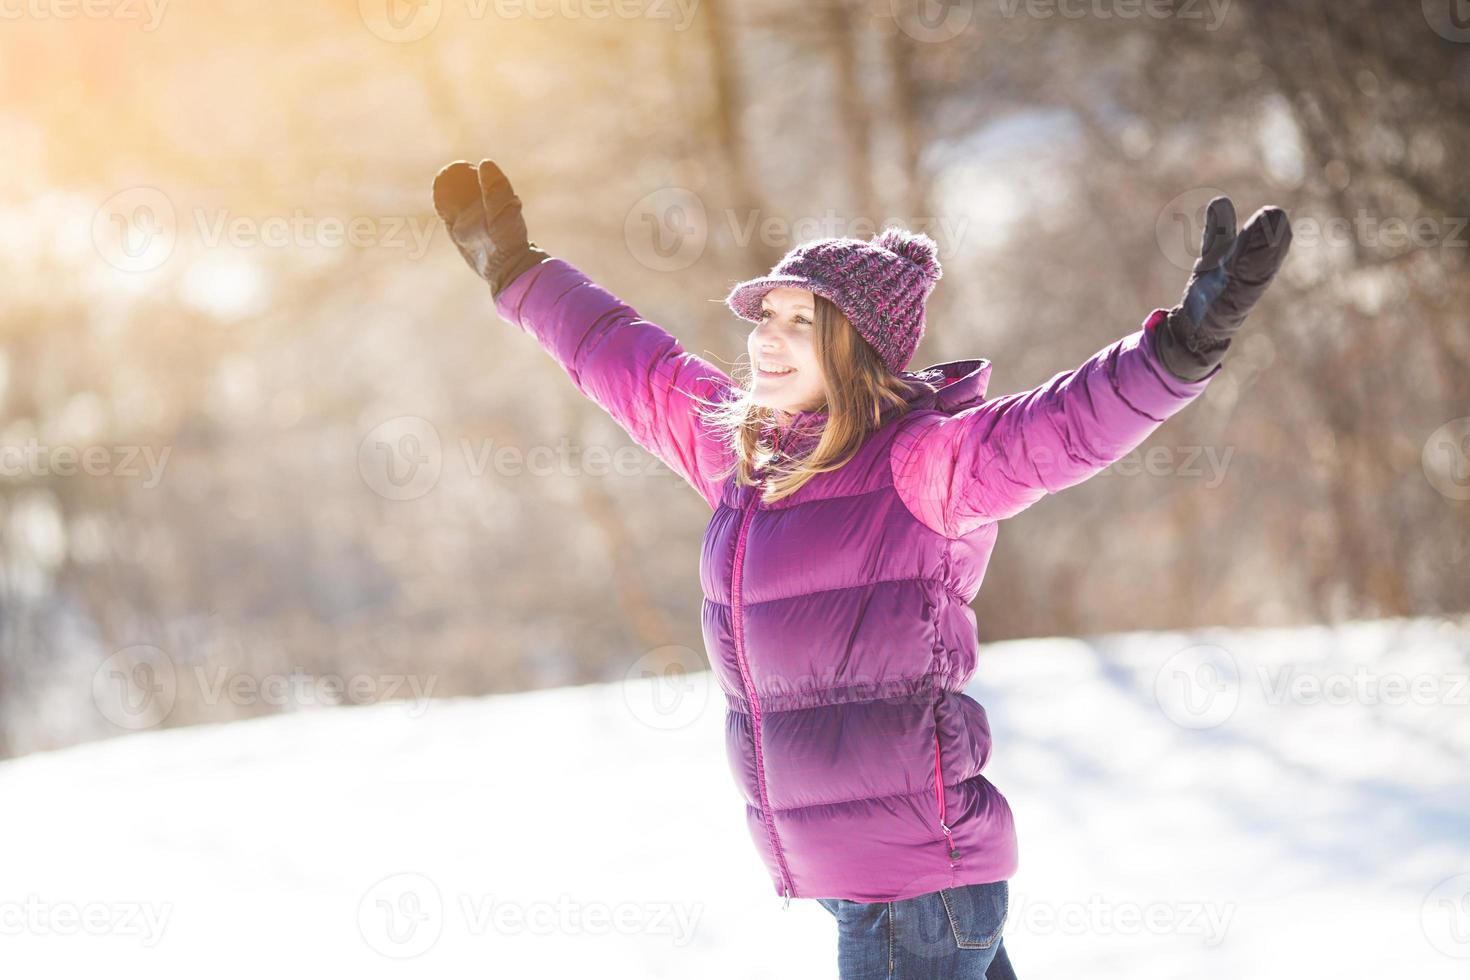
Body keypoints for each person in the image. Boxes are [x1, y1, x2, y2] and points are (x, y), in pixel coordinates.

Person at [431, 159, 1292, 979]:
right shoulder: (746, 456)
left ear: (854, 347)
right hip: (874, 884)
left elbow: (1058, 429)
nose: (766, 340)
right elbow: (629, 361)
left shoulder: (921, 464)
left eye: (800, 323)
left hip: (914, 889)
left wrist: (1180, 349)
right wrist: (516, 270)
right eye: (765, 317)